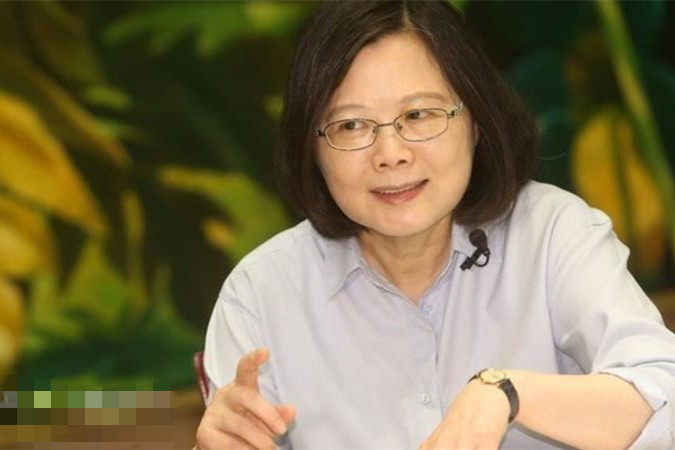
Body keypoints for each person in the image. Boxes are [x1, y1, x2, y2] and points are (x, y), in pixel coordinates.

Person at [195, 1, 675, 449]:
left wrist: (506, 393)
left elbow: (661, 389)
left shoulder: (552, 235)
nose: (391, 154)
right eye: (351, 125)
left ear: (476, 120)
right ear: (312, 148)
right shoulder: (260, 295)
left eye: (419, 114)